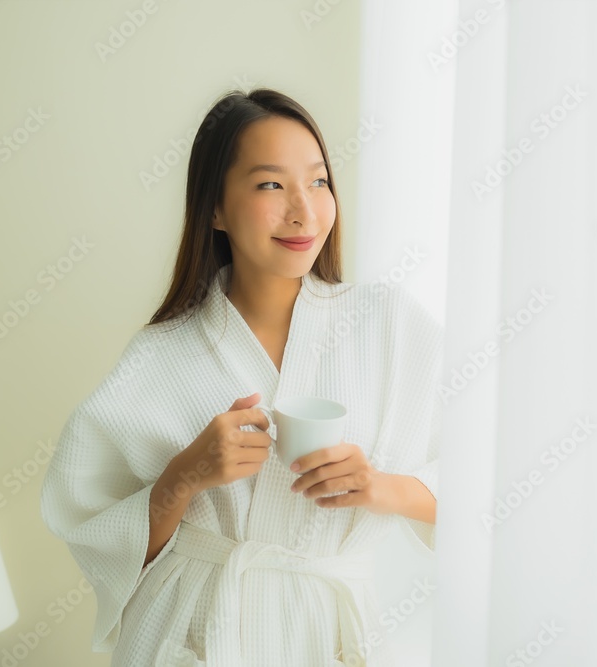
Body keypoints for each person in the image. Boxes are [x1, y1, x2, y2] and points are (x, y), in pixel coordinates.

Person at [40, 87, 442, 666]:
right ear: (215, 208)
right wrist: (183, 477)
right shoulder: (161, 356)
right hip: (194, 630)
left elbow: (487, 482)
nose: (304, 210)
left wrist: (381, 487)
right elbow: (97, 538)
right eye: (271, 185)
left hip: (326, 631)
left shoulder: (392, 327)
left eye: (319, 181)